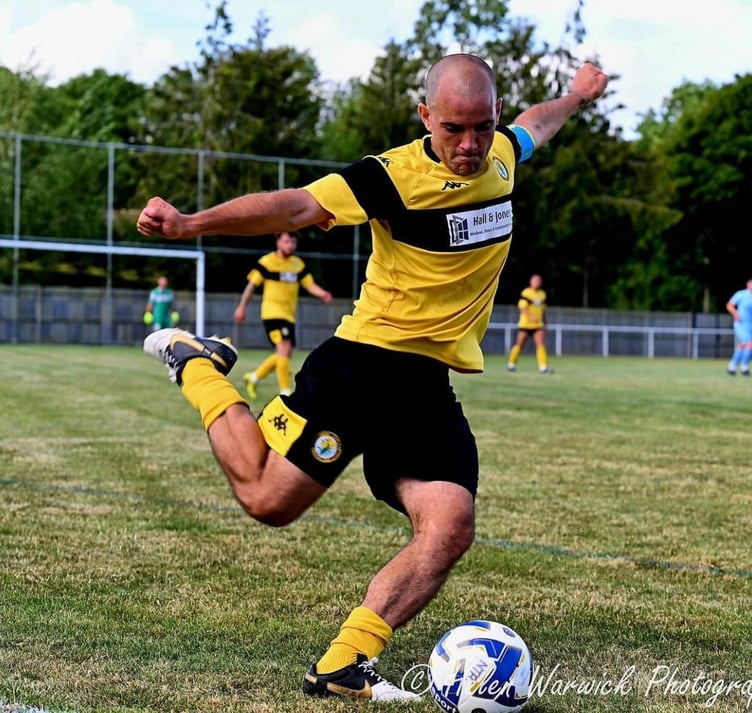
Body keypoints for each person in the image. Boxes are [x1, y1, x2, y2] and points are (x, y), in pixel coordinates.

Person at [136, 54, 608, 702]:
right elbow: (298, 203)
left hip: (426, 384)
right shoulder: (392, 178)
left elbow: (537, 124)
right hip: (361, 368)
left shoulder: (501, 154)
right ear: (425, 117)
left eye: (482, 126)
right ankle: (198, 362)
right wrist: (193, 223)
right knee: (267, 501)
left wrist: (576, 96)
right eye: (453, 129)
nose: (470, 144)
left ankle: (345, 660)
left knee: (449, 524)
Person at [233, 230, 332, 399]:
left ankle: (254, 377)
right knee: (284, 348)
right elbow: (251, 286)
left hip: (289, 315)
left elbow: (309, 285)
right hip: (272, 313)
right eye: (286, 241)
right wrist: (241, 307)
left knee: (284, 354)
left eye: (293, 242)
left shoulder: (297, 265)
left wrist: (322, 293)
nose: (290, 245)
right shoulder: (267, 262)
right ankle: (286, 391)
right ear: (278, 242)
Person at [506, 273, 549, 373]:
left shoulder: (542, 294)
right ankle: (511, 364)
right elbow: (522, 307)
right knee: (519, 344)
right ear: (531, 282)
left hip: (538, 325)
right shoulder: (526, 293)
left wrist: (545, 323)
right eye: (535, 280)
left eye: (539, 281)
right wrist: (532, 317)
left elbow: (543, 310)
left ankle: (543, 367)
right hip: (525, 324)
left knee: (540, 344)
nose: (537, 282)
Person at [726, 278, 752, 376]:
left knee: (742, 345)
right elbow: (729, 305)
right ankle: (744, 367)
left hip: (751, 325)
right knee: (749, 344)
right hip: (741, 324)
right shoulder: (741, 294)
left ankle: (731, 366)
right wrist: (735, 313)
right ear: (748, 285)